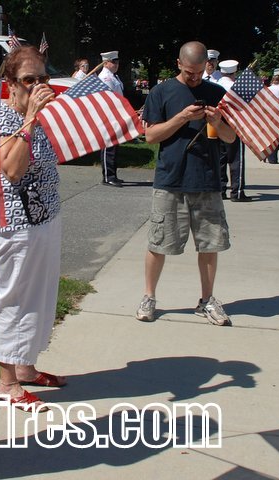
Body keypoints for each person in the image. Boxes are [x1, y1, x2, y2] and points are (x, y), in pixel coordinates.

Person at [0, 45, 66, 412]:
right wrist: (31, 117)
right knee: (15, 299)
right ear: (11, 84)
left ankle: (26, 368)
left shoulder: (41, 115)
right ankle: (7, 384)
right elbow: (12, 170)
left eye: (43, 77)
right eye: (29, 79)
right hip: (15, 224)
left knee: (40, 297)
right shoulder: (2, 117)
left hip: (44, 218)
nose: (37, 85)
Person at [135, 41, 236, 326]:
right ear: (179, 64)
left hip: (207, 180)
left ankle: (207, 300)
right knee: (158, 243)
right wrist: (182, 117)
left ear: (207, 66)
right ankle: (149, 296)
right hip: (171, 179)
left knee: (209, 245)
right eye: (189, 72)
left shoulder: (216, 93)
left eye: (200, 72)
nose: (194, 77)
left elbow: (230, 137)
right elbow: (151, 136)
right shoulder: (162, 92)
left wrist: (218, 121)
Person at [217, 60, 250, 202]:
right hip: (234, 125)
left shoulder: (215, 85)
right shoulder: (236, 88)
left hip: (218, 124)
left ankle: (220, 190)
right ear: (234, 72)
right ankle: (237, 192)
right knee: (236, 159)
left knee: (220, 159)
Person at [98, 50, 125, 187]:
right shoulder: (105, 78)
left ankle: (113, 174)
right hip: (108, 115)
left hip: (115, 114)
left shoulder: (114, 77)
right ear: (106, 63)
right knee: (108, 146)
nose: (116, 64)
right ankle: (108, 177)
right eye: (114, 62)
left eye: (117, 62)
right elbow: (108, 99)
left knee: (114, 146)